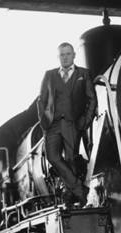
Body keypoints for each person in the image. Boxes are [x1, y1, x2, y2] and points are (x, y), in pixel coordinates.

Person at [37, 42, 97, 207]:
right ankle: (81, 192)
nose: (65, 57)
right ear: (58, 57)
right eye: (62, 55)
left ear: (74, 55)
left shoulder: (83, 74)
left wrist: (85, 121)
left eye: (68, 54)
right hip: (53, 125)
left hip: (72, 124)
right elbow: (41, 100)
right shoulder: (49, 75)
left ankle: (71, 195)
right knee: (52, 156)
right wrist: (44, 122)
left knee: (71, 160)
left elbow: (92, 99)